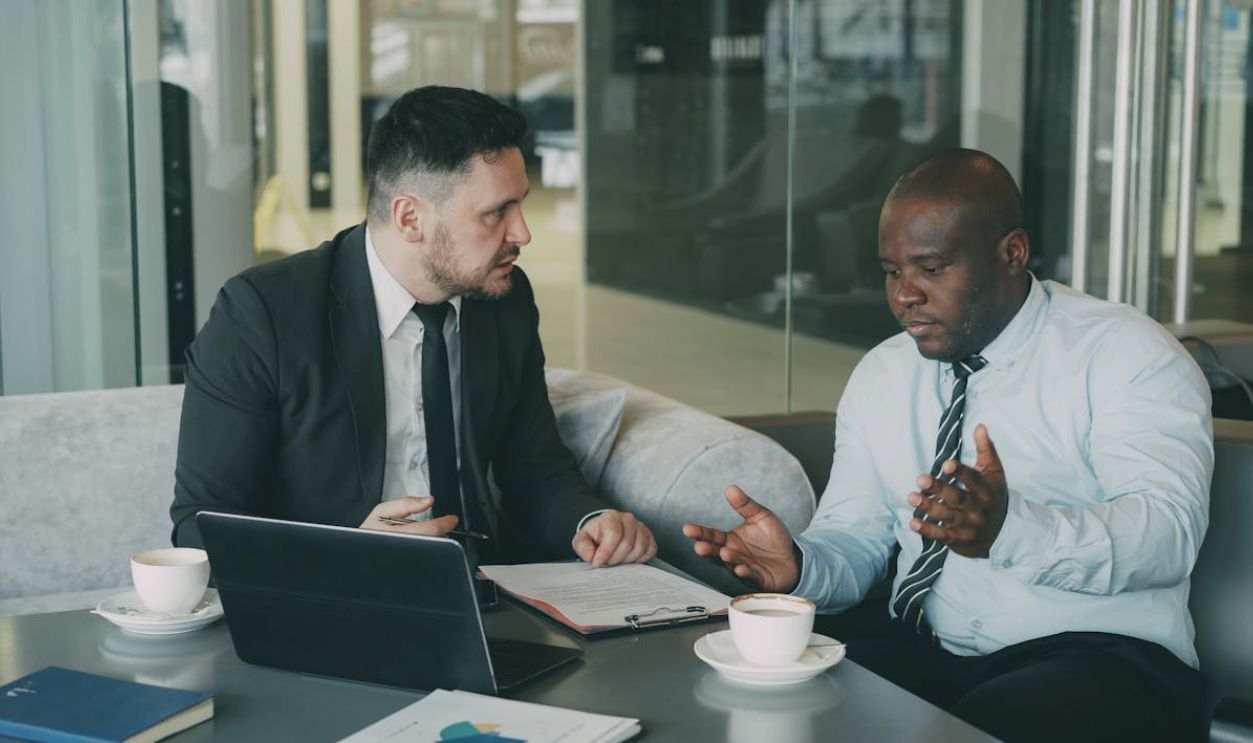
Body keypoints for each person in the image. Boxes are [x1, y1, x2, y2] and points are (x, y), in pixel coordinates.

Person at [684, 149, 1211, 741]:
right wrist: (801, 567)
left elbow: (1167, 534)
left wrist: (1010, 530)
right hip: (929, 651)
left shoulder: (1125, 355)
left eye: (931, 269)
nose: (905, 294)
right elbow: (856, 538)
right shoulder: (884, 373)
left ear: (1012, 252)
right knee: (764, 704)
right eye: (892, 271)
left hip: (1103, 660)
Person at [171, 85, 656, 570]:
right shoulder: (263, 313)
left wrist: (589, 522)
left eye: (520, 204)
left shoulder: (503, 300)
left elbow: (534, 464)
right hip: (332, 596)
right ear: (409, 218)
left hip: (489, 589)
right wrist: (343, 550)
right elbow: (200, 524)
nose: (523, 233)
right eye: (497, 212)